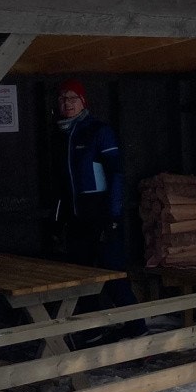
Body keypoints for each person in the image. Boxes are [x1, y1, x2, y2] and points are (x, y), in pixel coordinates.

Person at [52, 79, 140, 334]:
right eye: (62, 99)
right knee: (82, 278)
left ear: (83, 102)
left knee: (113, 277)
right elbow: (60, 185)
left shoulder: (98, 131)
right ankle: (93, 332)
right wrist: (58, 221)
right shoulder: (62, 134)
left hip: (101, 216)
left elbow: (116, 175)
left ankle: (138, 329)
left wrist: (112, 216)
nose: (67, 103)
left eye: (72, 98)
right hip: (77, 219)